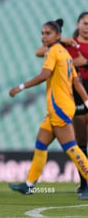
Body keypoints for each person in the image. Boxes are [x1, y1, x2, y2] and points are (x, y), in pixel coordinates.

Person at [8, 19, 88, 200]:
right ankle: (29, 185)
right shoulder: (65, 54)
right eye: (42, 33)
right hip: (61, 107)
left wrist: (20, 87)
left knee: (72, 148)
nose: (43, 37)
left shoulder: (53, 52)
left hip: (58, 108)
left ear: (58, 35)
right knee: (41, 144)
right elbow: (77, 82)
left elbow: (45, 75)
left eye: (48, 33)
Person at [35, 12, 88, 193]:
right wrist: (62, 44)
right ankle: (84, 185)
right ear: (78, 24)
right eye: (85, 23)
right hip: (78, 94)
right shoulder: (70, 44)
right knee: (81, 140)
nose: (87, 27)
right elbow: (40, 51)